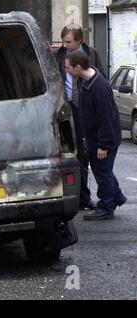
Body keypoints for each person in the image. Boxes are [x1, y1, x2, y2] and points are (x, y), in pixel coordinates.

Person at [65, 51, 127, 220]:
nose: (67, 71)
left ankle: (106, 207)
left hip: (104, 140)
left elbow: (106, 118)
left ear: (78, 67)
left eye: (68, 68)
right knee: (103, 170)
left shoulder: (98, 87)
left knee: (102, 172)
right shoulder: (86, 82)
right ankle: (117, 196)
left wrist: (103, 145)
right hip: (95, 139)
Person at [56, 24, 106, 211]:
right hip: (68, 110)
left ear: (80, 41)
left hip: (86, 108)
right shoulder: (59, 56)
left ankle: (92, 198)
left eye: (68, 41)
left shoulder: (92, 54)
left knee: (88, 154)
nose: (65, 45)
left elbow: (102, 77)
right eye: (63, 41)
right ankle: (78, 197)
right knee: (71, 153)